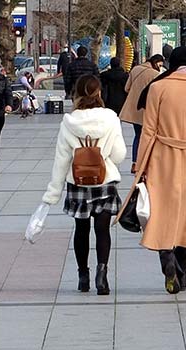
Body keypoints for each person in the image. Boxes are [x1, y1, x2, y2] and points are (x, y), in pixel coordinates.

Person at [127, 46, 186, 295]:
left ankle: (167, 260)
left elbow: (148, 129)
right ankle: (185, 270)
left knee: (162, 211)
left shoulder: (159, 87)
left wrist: (141, 165)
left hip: (163, 155)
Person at [42, 75, 126, 295]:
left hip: (77, 182)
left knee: (81, 230)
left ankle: (82, 275)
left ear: (76, 94)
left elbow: (61, 160)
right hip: (104, 181)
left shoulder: (69, 123)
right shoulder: (110, 119)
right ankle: (102, 273)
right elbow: (119, 155)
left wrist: (53, 192)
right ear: (99, 93)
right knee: (102, 230)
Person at [119, 54, 164, 170]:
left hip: (134, 109)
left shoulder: (135, 69)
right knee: (148, 136)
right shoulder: (155, 75)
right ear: (156, 62)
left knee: (137, 135)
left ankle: (135, 162)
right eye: (160, 64)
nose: (161, 67)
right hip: (147, 109)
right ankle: (146, 162)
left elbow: (126, 88)